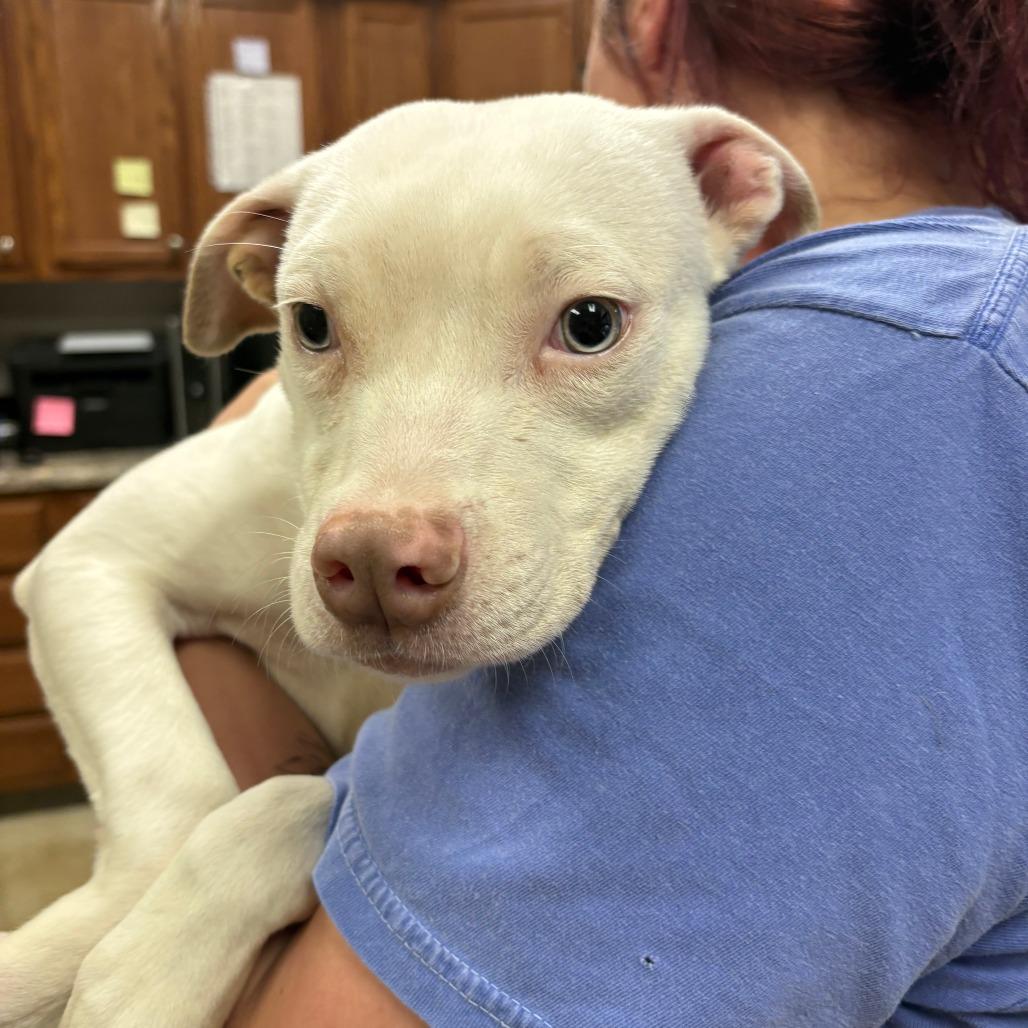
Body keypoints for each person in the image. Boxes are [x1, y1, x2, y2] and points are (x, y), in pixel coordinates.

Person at [180, 0, 1028, 1023]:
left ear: (649, 22)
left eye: (584, 323)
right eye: (312, 326)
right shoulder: (944, 316)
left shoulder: (890, 375)